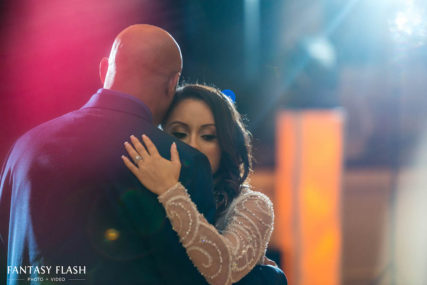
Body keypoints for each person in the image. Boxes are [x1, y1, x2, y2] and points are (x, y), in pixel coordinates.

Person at [0, 24, 217, 284]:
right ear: (172, 83)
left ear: (104, 70)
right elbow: (203, 273)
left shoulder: (24, 149)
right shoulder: (184, 163)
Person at [122, 84, 287, 285]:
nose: (192, 146)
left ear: (226, 143)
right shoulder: (139, 196)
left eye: (208, 136)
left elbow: (222, 271)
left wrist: (171, 191)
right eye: (179, 134)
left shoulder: (252, 205)